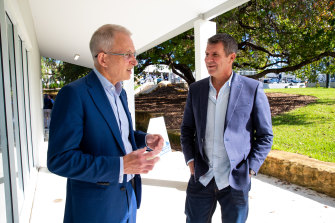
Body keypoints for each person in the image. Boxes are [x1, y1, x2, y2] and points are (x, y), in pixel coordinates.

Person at [47, 24, 164, 223]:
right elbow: (60, 159)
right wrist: (120, 166)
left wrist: (145, 139)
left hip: (129, 199)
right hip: (96, 211)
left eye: (134, 54)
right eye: (128, 54)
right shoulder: (74, 94)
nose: (134, 61)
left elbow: (120, 136)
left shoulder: (122, 93)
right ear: (103, 58)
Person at [181, 33, 273, 223]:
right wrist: (190, 161)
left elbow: (265, 136)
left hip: (235, 180)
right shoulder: (196, 90)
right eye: (207, 54)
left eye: (215, 55)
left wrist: (251, 169)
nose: (208, 60)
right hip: (201, 177)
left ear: (231, 57)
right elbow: (187, 129)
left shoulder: (252, 89)